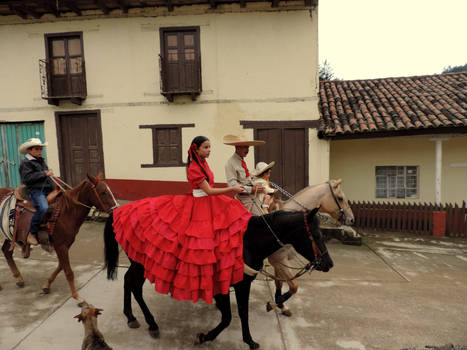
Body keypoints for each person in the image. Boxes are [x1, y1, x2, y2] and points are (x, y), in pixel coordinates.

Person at [112, 136, 251, 304]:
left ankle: (217, 278)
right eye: (206, 147)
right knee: (191, 245)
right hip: (199, 203)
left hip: (207, 203)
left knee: (218, 239)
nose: (209, 150)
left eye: (209, 147)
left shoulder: (202, 162)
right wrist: (232, 189)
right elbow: (208, 191)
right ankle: (183, 279)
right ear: (196, 149)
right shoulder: (194, 167)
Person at [18, 138, 54, 246]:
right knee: (43, 207)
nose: (40, 151)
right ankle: (32, 232)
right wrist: (44, 174)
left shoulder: (41, 160)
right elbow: (27, 178)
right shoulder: (26, 163)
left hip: (47, 189)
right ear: (29, 150)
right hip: (36, 190)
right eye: (37, 149)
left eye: (41, 149)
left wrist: (48, 173)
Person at [223, 134, 265, 215]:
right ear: (237, 148)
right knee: (258, 218)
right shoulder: (230, 163)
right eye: (245, 147)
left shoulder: (240, 161)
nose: (247, 150)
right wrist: (251, 189)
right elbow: (232, 184)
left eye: (248, 147)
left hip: (252, 196)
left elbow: (246, 178)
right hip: (244, 198)